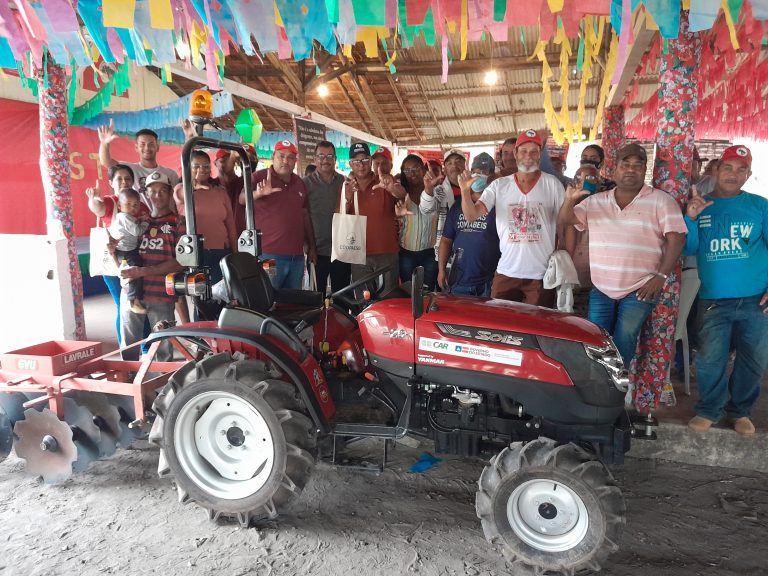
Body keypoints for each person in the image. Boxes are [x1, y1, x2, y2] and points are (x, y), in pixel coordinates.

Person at [558, 143, 687, 368]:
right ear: (614, 169)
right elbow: (566, 219)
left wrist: (661, 276)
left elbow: (677, 238)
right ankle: (603, 382)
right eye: (625, 164)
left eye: (638, 166)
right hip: (602, 286)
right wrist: (571, 199)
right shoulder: (596, 201)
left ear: (644, 170)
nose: (631, 170)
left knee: (624, 337)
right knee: (597, 337)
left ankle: (617, 386)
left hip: (641, 287)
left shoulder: (660, 200)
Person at [683, 145, 768, 436]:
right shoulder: (701, 204)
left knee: (754, 360)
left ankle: (740, 412)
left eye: (741, 169)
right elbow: (689, 248)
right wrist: (691, 217)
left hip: (757, 299)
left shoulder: (760, 206)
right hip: (713, 298)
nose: (734, 174)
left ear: (748, 174)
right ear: (716, 170)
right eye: (728, 168)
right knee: (709, 359)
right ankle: (709, 409)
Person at [460, 130, 564, 306]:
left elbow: (564, 222)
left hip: (541, 275)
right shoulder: (499, 185)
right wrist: (464, 191)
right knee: (500, 326)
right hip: (506, 272)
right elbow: (471, 216)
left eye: (534, 151)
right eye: (523, 151)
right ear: (515, 154)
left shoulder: (552, 184)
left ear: (540, 155)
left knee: (535, 328)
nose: (528, 156)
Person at [119, 171, 184, 362]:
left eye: (162, 191)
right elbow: (122, 254)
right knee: (129, 347)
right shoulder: (135, 223)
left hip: (162, 294)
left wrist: (145, 271)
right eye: (152, 191)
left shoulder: (179, 223)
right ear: (146, 194)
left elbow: (181, 262)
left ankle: (164, 389)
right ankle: (128, 384)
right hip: (131, 293)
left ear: (171, 192)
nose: (157, 196)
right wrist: (113, 251)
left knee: (163, 349)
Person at [239, 140, 316, 290]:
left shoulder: (299, 183)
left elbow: (305, 215)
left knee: (291, 306)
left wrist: (311, 246)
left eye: (290, 157)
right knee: (268, 302)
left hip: (297, 257)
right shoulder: (258, 176)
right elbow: (242, 199)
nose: (285, 161)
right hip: (268, 255)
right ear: (273, 156)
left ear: (295, 161)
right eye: (281, 156)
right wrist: (258, 193)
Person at [341, 142, 406, 294]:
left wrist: (391, 188)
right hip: (359, 255)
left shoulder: (384, 181)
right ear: (350, 164)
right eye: (356, 161)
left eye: (364, 160)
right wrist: (347, 197)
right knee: (363, 304)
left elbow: (402, 194)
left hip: (387, 253)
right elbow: (340, 216)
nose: (361, 165)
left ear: (370, 161)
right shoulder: (347, 187)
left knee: (388, 302)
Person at [439, 152, 500, 296]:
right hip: (460, 278)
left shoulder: (498, 205)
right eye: (476, 171)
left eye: (484, 172)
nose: (479, 175)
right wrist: (441, 270)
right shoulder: (457, 206)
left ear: (491, 176)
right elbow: (446, 240)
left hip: (489, 279)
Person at [174, 151, 237, 286]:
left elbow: (231, 226)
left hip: (222, 251)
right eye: (196, 166)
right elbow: (181, 194)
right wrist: (193, 186)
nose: (202, 170)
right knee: (202, 298)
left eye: (206, 166)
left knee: (223, 294)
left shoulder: (220, 192)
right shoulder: (181, 189)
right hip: (195, 253)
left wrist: (236, 255)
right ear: (187, 168)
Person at [304, 140, 350, 294]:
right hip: (316, 251)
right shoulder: (305, 184)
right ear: (315, 159)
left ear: (335, 159)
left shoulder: (345, 182)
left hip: (342, 250)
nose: (325, 160)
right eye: (321, 156)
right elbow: (302, 216)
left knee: (342, 298)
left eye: (330, 156)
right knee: (317, 298)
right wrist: (308, 245)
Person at [98, 122, 180, 197]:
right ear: (136, 148)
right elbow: (107, 162)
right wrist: (104, 144)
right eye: (142, 144)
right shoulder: (129, 169)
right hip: (140, 213)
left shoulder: (170, 174)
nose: (147, 148)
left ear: (157, 147)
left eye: (151, 144)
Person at [396, 154, 438, 289]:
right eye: (407, 170)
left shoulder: (436, 193)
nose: (412, 174)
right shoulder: (402, 195)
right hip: (406, 252)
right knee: (408, 292)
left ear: (423, 170)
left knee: (428, 292)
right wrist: (396, 215)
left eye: (415, 169)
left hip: (430, 253)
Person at [563, 163, 600, 317]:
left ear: (598, 181)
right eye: (579, 177)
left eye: (590, 177)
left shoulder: (604, 204)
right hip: (571, 276)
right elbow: (568, 247)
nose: (584, 181)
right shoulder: (568, 205)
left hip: (596, 279)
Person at [419, 149, 467, 265]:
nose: (454, 166)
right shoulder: (439, 190)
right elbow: (426, 210)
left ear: (465, 164)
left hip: (470, 247)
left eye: (458, 161)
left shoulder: (474, 188)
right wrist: (429, 190)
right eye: (449, 163)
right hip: (446, 252)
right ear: (444, 168)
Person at [109, 188, 150, 314]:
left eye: (135, 205)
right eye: (128, 204)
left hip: (125, 250)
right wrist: (146, 223)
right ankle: (134, 301)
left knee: (135, 271)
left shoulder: (126, 217)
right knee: (135, 271)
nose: (133, 208)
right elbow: (137, 231)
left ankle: (135, 299)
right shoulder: (125, 217)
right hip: (126, 251)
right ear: (120, 206)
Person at [214, 145, 257, 237]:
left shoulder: (263, 180)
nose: (247, 162)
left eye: (250, 158)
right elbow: (227, 173)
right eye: (243, 159)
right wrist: (233, 156)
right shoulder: (236, 182)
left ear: (256, 160)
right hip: (236, 234)